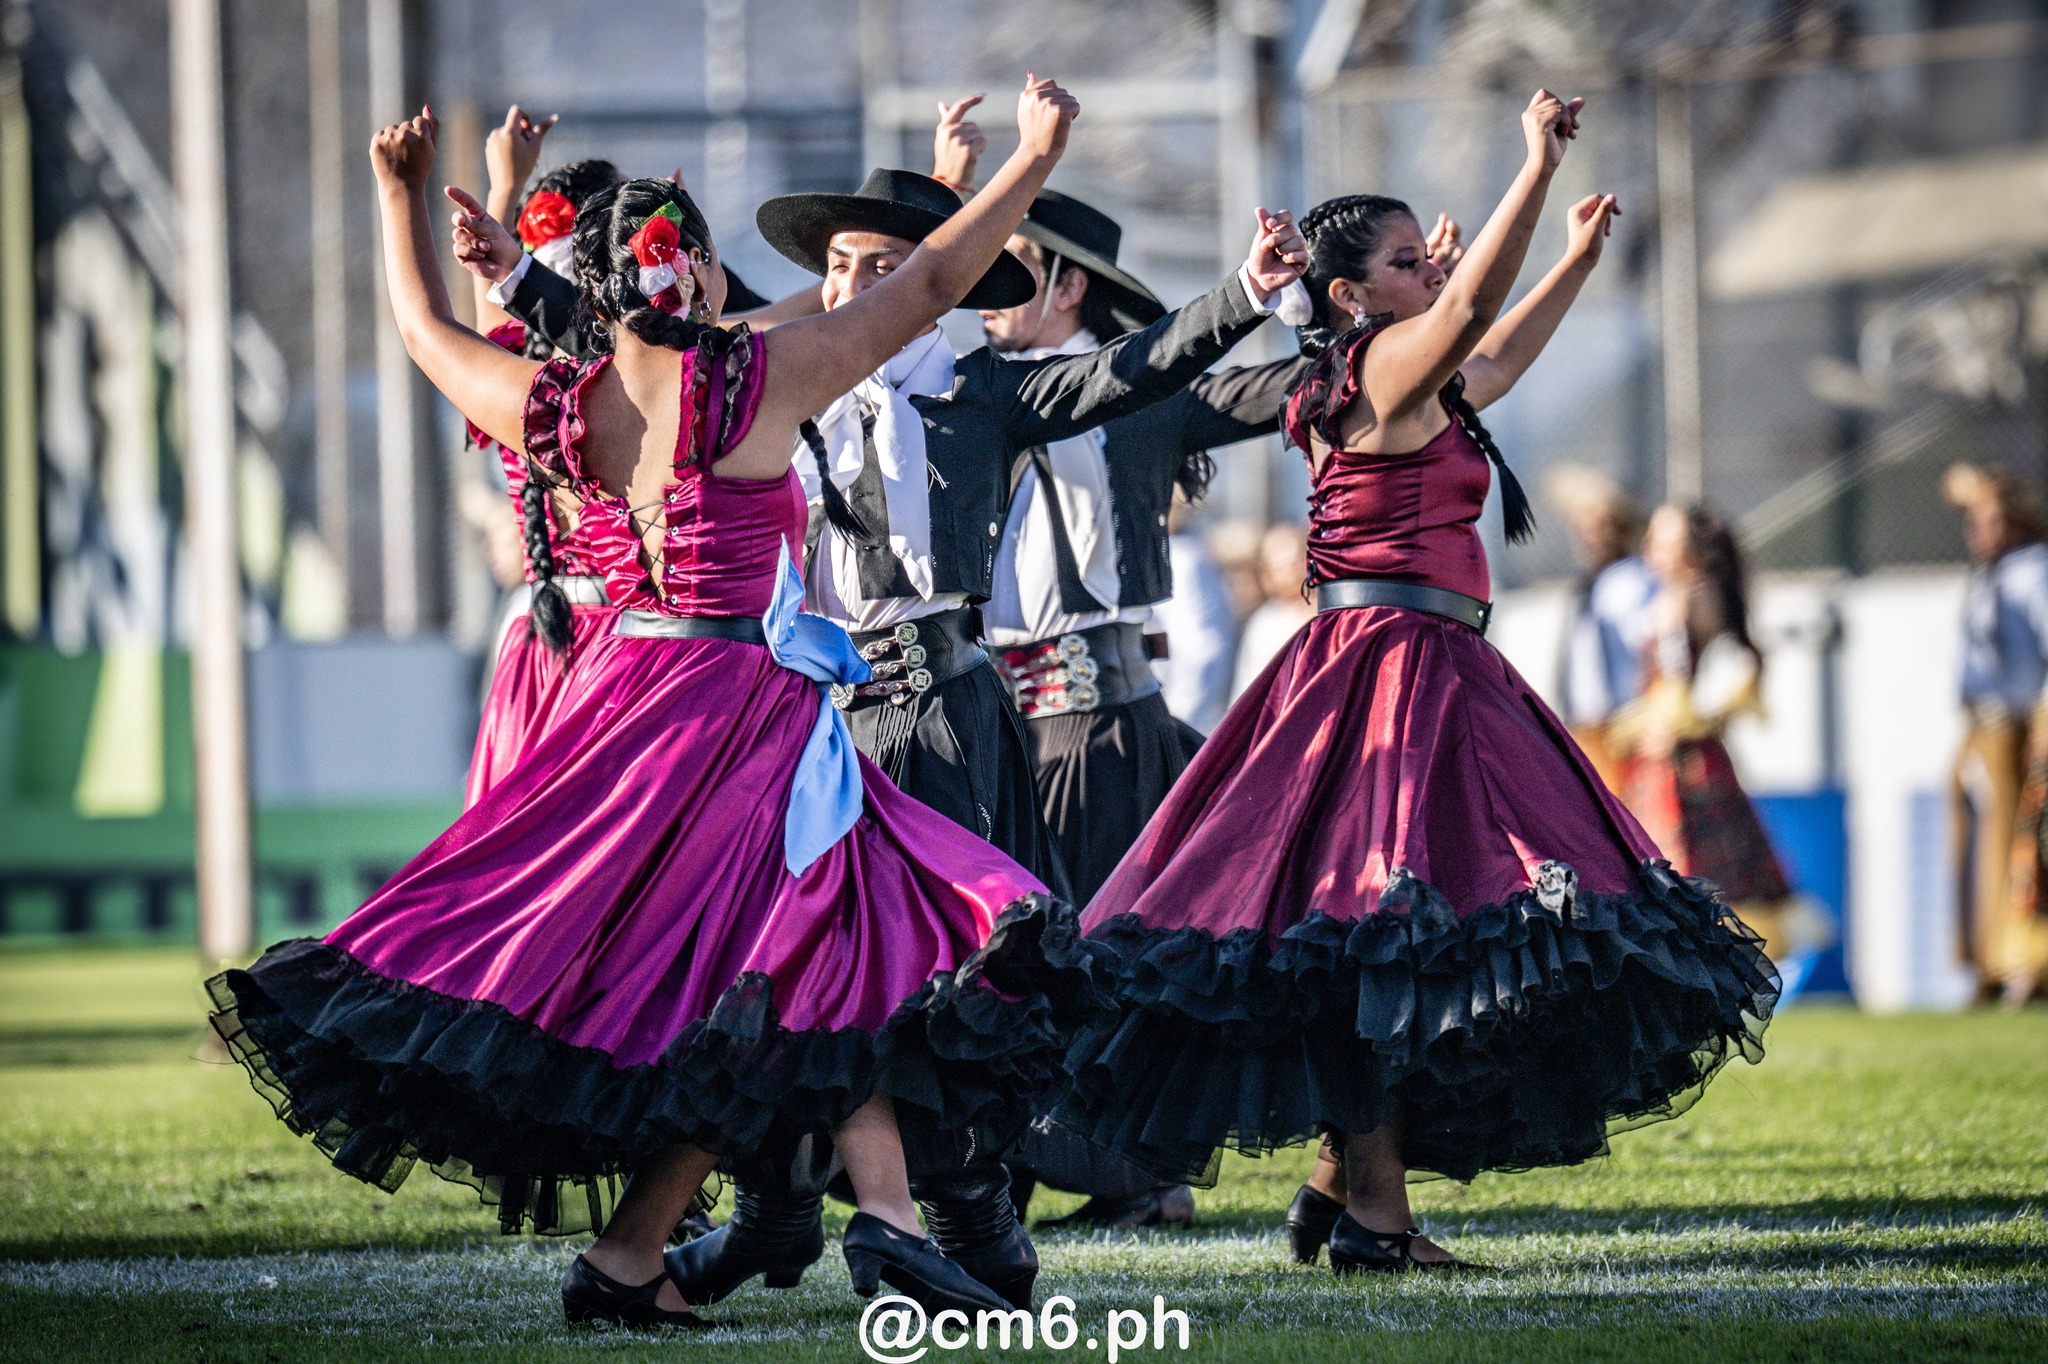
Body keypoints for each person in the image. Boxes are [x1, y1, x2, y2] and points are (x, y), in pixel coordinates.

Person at [210, 80, 1103, 1328]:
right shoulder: (754, 385)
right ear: (696, 281)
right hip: (742, 714)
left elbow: (422, 333)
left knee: (778, 975)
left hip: (624, 705)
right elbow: (932, 286)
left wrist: (397, 196)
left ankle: (691, 1248)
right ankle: (855, 1224)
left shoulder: (562, 406)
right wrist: (1029, 159)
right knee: (819, 953)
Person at [1052, 90, 1777, 1274]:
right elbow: (1471, 313)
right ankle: (1373, 1219)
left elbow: (1487, 353)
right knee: (1380, 935)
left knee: (1392, 935)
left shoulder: (1404, 371)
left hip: (1420, 659)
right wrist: (1531, 173)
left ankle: (1338, 1188)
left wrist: (1576, 259)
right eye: (1401, 260)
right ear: (1350, 295)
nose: (1424, 265)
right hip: (1386, 670)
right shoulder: (1381, 366)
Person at [937, 110, 1311, 1229]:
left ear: (1065, 290)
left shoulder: (1139, 403)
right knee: (990, 952)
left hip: (1097, 723)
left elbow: (1275, 388)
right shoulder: (956, 391)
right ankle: (996, 1167)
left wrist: (1347, 315)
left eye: (1008, 271)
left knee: (1098, 954)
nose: (983, 291)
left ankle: (1135, 1171)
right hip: (991, 716)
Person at [1609, 503, 1834, 995]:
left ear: (1692, 550)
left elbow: (1732, 670)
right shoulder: (1663, 596)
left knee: (1700, 867)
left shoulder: (1700, 596)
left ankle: (1709, 972)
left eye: (1665, 539)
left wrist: (1690, 719)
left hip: (1688, 764)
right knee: (1658, 862)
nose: (1653, 547)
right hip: (1655, 759)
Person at [1942, 461, 2048, 1005]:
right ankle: (1979, 959)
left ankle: (2012, 961)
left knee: (2009, 843)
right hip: (1978, 724)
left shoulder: (2032, 572)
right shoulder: (1992, 575)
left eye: (1992, 522)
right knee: (1969, 838)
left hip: (2016, 726)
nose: (1979, 533)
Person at [1546, 463, 1656, 792]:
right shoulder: (1591, 586)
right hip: (1587, 729)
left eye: (1601, 527)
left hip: (1623, 729)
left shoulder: (1636, 583)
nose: (1589, 537)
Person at [1228, 521, 1314, 702]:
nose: (1291, 572)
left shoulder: (1330, 617)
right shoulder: (1266, 624)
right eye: (1280, 567)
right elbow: (1248, 690)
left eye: (1296, 561)